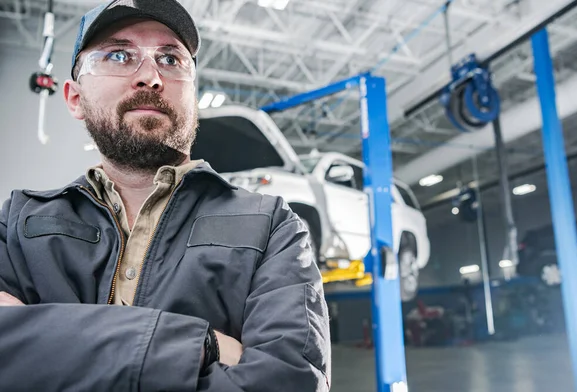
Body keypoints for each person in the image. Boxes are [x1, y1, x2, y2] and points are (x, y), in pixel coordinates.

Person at [0, 1, 331, 391]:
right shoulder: (18, 222)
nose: (150, 77)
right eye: (119, 55)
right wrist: (200, 345)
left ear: (193, 98)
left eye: (171, 59)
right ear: (74, 98)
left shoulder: (272, 226)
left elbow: (288, 382)